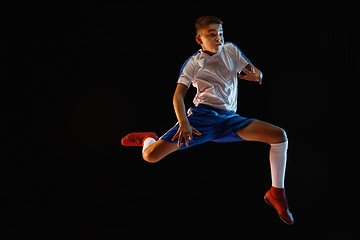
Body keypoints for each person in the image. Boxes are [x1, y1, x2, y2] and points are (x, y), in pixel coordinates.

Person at [121, 16, 293, 225]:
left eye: (220, 34)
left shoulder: (231, 50)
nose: (219, 39)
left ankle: (277, 194)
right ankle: (149, 138)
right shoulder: (195, 63)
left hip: (230, 120)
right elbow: (177, 96)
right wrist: (184, 123)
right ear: (199, 39)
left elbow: (253, 69)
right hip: (203, 119)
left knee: (279, 136)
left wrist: (256, 74)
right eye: (212, 35)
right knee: (150, 156)